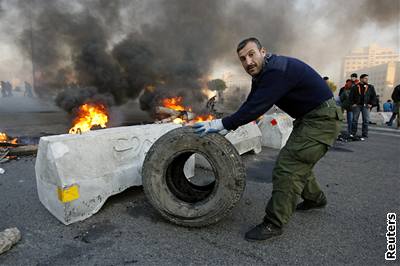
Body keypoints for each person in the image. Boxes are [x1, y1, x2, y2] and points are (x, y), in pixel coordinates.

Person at [193, 37, 342, 241]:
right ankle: (315, 199)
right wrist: (228, 125)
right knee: (298, 160)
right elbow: (252, 103)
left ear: (263, 51)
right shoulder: (264, 74)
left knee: (289, 166)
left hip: (321, 119)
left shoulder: (275, 72)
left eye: (251, 54)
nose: (248, 62)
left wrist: (222, 124)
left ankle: (274, 223)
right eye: (243, 59)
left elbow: (257, 107)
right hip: (310, 118)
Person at [349, 74, 377, 139]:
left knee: (366, 120)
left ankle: (364, 134)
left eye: (367, 78)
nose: (367, 80)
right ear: (361, 79)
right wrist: (353, 103)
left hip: (366, 106)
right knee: (354, 120)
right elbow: (351, 96)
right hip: (357, 105)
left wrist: (371, 104)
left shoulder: (370, 87)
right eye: (365, 78)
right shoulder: (355, 87)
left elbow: (374, 96)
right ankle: (353, 133)